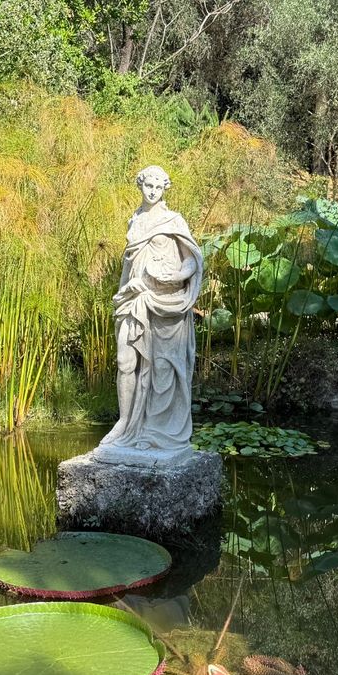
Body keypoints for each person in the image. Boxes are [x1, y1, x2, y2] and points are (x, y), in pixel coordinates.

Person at [94, 165, 203, 466]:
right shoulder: (135, 219)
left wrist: (175, 275)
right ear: (140, 185)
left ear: (165, 188)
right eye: (148, 186)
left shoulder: (173, 220)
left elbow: (192, 260)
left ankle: (154, 430)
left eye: (158, 187)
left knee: (160, 368)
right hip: (133, 296)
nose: (153, 192)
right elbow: (131, 264)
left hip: (164, 301)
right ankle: (125, 423)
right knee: (124, 361)